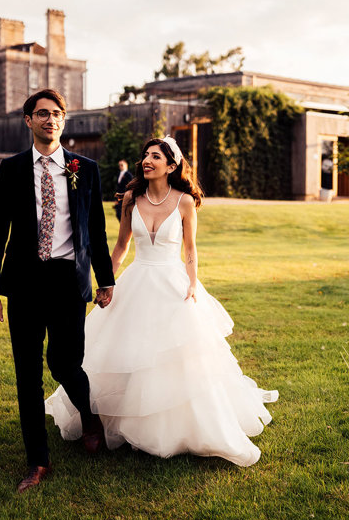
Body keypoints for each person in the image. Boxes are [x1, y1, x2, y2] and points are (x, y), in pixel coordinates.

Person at [45, 137, 277, 466]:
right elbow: (123, 246)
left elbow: (191, 250)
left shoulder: (184, 202)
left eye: (156, 156)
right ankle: (109, 419)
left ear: (171, 166)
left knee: (178, 355)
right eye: (146, 156)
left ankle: (176, 426)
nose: (147, 160)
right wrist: (106, 283)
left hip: (173, 283)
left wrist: (193, 284)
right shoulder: (130, 198)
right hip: (137, 281)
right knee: (124, 350)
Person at [0, 89, 116, 493]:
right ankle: (38, 461)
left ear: (63, 120)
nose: (49, 120)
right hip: (23, 282)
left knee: (65, 362)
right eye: (42, 114)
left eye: (56, 114)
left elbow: (96, 231)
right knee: (27, 374)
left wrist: (105, 280)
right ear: (28, 120)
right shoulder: (12, 169)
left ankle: (88, 418)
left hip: (68, 281)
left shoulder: (84, 168)